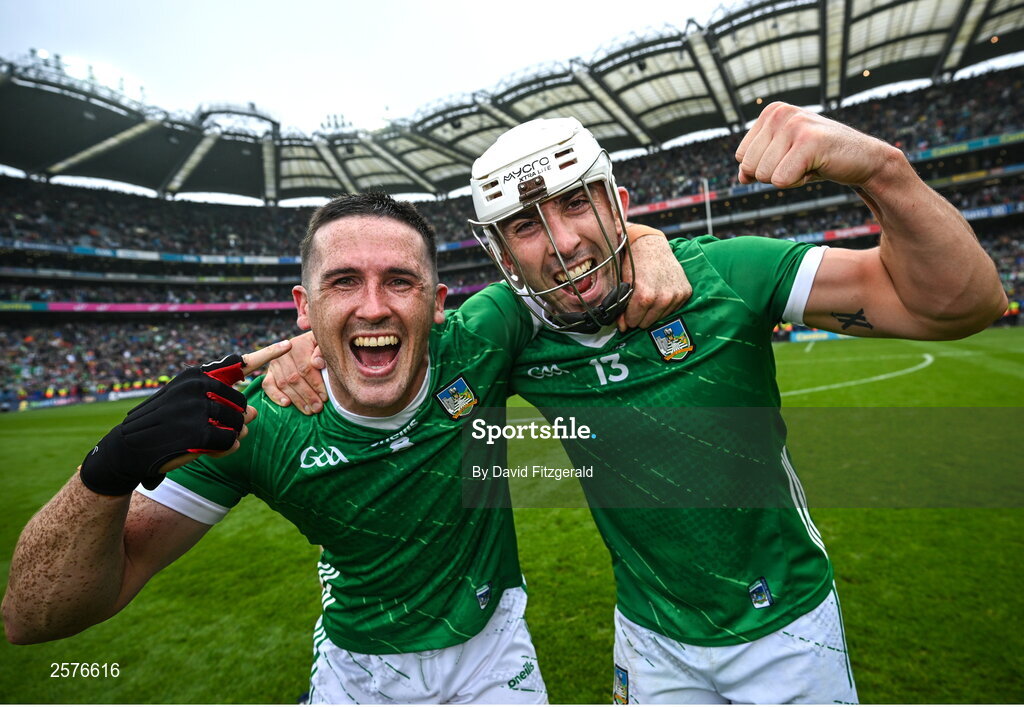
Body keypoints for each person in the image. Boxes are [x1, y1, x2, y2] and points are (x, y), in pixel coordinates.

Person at [266, 106, 1006, 703]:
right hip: (649, 641)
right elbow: (385, 332)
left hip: (786, 628)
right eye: (527, 225)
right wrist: (307, 350)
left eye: (574, 203)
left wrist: (883, 169)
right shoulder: (511, 329)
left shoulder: (727, 275)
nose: (560, 242)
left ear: (617, 201)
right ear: (501, 254)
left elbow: (965, 302)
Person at [2, 193, 687, 704]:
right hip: (357, 678)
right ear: (303, 306)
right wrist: (106, 468)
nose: (373, 307)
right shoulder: (254, 423)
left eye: (399, 280)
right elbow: (31, 618)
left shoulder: (484, 337)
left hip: (495, 663)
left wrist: (646, 238)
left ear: (438, 301)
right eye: (342, 282)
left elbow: (576, 261)